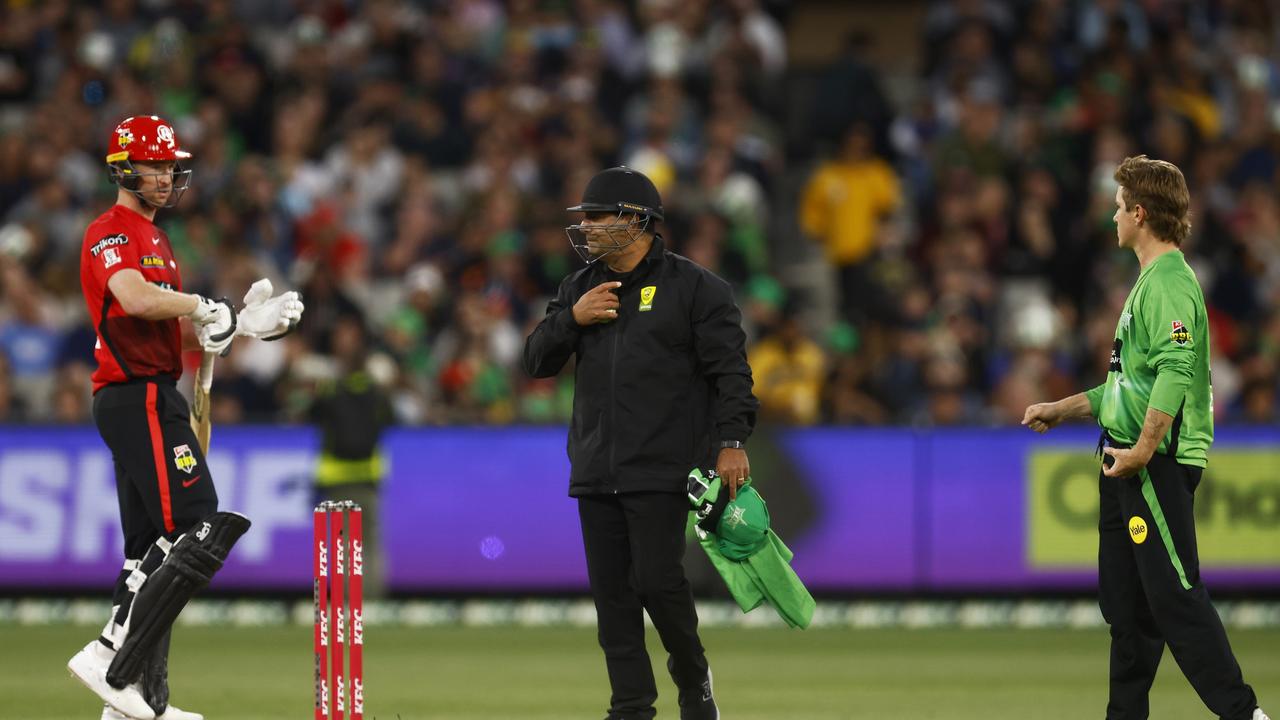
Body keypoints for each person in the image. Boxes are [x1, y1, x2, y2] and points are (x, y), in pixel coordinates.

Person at [68, 115, 304, 720]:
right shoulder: (109, 230)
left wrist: (236, 328)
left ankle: (133, 702)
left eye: (173, 165)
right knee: (199, 522)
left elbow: (173, 329)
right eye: (156, 164)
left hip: (154, 389)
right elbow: (136, 299)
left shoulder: (158, 237)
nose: (168, 175)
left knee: (147, 546)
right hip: (135, 395)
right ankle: (111, 659)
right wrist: (207, 305)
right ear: (124, 168)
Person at [1022, 156, 1269, 720]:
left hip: (1151, 462)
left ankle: (1244, 713)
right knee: (1128, 609)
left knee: (1175, 597)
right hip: (1126, 458)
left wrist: (1143, 449)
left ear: (1139, 212)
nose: (1111, 216)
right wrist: (1061, 409)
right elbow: (1128, 387)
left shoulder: (1172, 284)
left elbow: (1176, 372)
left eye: (1117, 206)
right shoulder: (1149, 283)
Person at [523, 166, 759, 720]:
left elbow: (732, 375)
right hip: (595, 467)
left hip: (663, 466)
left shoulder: (698, 288)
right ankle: (631, 708)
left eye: (596, 217)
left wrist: (731, 441)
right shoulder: (579, 288)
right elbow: (536, 361)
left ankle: (693, 676)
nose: (586, 228)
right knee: (614, 601)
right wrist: (571, 322)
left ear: (635, 220)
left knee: (656, 581)